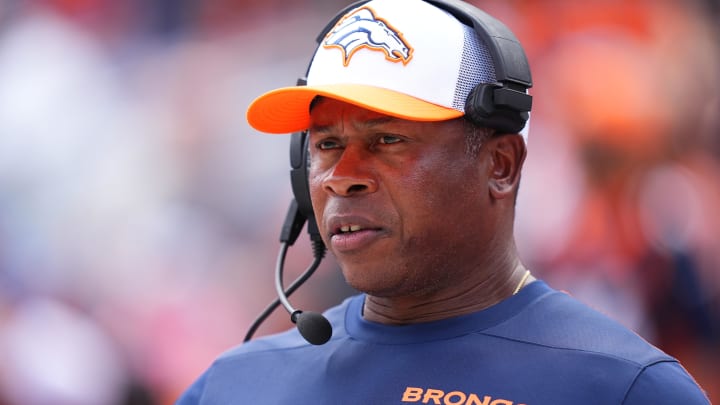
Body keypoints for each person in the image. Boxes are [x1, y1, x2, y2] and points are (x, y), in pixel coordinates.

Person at [176, 0, 710, 403]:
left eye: (388, 140)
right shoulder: (233, 385)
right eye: (326, 145)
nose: (343, 178)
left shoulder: (624, 388)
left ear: (500, 165)